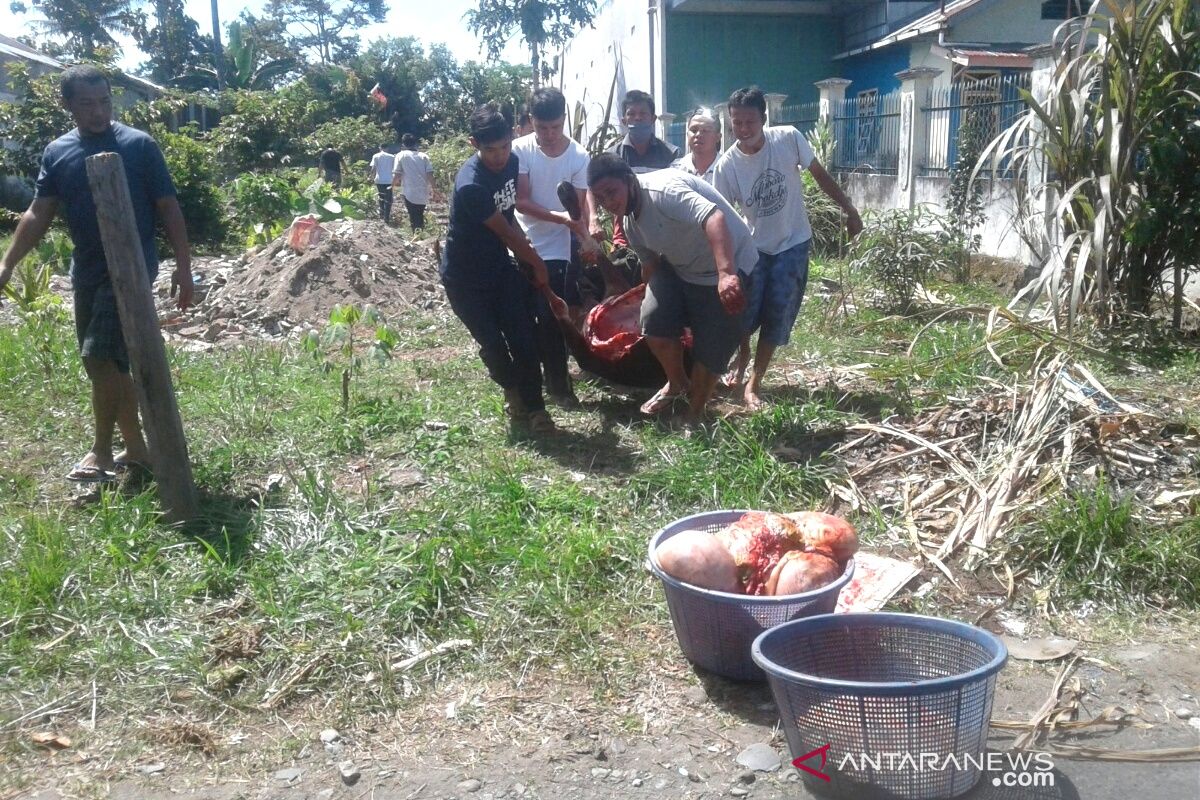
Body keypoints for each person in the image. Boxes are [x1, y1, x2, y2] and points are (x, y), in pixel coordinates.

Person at [0, 65, 193, 482]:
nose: (98, 112)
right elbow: (39, 212)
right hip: (85, 270)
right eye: (87, 104)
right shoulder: (58, 152)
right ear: (68, 105)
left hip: (130, 267)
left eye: (104, 101)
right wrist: (8, 262)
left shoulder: (138, 145)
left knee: (99, 354)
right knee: (104, 366)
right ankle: (138, 449)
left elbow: (169, 208)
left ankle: (101, 452)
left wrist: (184, 267)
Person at [713, 86, 863, 410]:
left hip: (793, 242)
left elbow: (820, 176)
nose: (743, 129)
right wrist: (721, 267)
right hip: (754, 250)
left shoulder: (788, 139)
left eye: (749, 121)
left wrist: (849, 209)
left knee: (777, 313)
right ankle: (743, 352)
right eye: (736, 123)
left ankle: (754, 382)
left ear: (763, 118)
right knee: (742, 313)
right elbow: (720, 218)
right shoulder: (727, 166)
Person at [587, 154, 757, 423]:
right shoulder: (631, 224)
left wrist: (726, 274)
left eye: (611, 193)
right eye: (601, 198)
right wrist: (641, 300)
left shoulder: (663, 192)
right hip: (681, 268)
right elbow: (651, 265)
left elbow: (714, 218)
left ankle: (695, 412)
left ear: (629, 180)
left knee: (711, 348)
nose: (609, 203)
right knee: (653, 321)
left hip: (727, 263)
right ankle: (678, 384)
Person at [442, 104, 562, 435]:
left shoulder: (512, 163)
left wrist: (528, 255)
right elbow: (506, 232)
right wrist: (536, 262)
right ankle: (512, 390)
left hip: (498, 269)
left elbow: (509, 217)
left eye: (505, 146)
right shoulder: (471, 185)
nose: (499, 156)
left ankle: (537, 410)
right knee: (493, 345)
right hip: (465, 280)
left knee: (522, 336)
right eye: (490, 150)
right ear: (473, 144)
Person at [513, 87, 597, 408]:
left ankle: (560, 386)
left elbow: (579, 207)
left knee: (552, 315)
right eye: (541, 128)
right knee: (526, 317)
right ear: (531, 121)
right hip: (522, 240)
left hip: (558, 246)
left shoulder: (578, 155)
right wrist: (561, 218)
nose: (548, 135)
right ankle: (530, 382)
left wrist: (583, 234)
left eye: (555, 127)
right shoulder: (520, 150)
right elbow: (521, 201)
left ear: (564, 121)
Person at [593, 89, 681, 286]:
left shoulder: (670, 154)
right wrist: (593, 218)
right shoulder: (612, 157)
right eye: (631, 114)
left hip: (662, 236)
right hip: (625, 238)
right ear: (623, 119)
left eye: (643, 114)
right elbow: (593, 189)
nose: (637, 118)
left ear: (653, 118)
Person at [392, 133, 437, 231]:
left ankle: (416, 237)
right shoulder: (424, 156)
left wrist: (392, 186)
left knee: (412, 216)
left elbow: (397, 174)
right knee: (419, 215)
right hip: (422, 192)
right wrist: (435, 190)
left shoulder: (401, 155)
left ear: (403, 144)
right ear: (415, 143)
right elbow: (430, 174)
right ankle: (420, 234)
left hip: (409, 192)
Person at [671, 108, 721, 184]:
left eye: (706, 130)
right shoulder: (675, 170)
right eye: (694, 130)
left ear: (718, 137)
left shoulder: (728, 170)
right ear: (687, 135)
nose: (698, 135)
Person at [368, 143, 397, 223]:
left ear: (380, 148)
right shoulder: (392, 157)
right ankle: (386, 217)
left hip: (379, 180)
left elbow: (373, 168)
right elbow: (395, 169)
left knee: (381, 197)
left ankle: (381, 214)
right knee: (389, 198)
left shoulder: (376, 156)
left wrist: (370, 177)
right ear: (387, 148)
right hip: (389, 180)